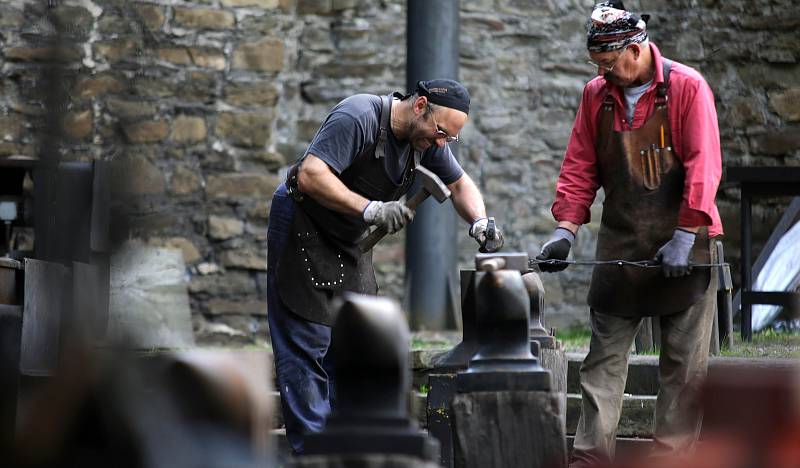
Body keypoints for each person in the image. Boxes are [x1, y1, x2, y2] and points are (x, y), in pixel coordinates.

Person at [266, 79, 504, 453]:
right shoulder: (358, 116)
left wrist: (479, 222)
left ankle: (348, 451)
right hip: (304, 228)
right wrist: (370, 209)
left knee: (355, 340)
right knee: (306, 346)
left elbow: (459, 185)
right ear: (420, 105)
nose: (442, 144)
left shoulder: (426, 140)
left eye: (450, 140)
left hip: (349, 240)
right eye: (441, 133)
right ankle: (314, 455)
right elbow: (311, 174)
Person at [535, 1, 723, 466]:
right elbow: (579, 167)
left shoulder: (686, 87)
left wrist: (685, 232)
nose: (604, 74)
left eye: (609, 63)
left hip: (688, 243)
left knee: (682, 370)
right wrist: (566, 230)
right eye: (596, 65)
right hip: (622, 246)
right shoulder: (596, 96)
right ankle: (590, 459)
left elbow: (705, 166)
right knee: (602, 363)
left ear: (635, 49)